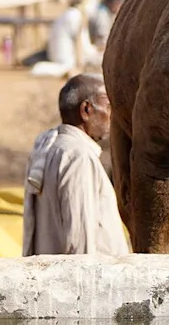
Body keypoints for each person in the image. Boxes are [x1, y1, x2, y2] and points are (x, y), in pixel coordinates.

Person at [22, 73, 129, 256]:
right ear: (86, 110)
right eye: (108, 107)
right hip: (84, 278)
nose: (111, 116)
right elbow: (79, 239)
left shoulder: (47, 148)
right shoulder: (78, 156)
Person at [47, 0, 101, 71]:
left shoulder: (67, 14)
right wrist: (79, 62)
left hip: (55, 56)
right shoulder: (75, 16)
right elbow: (79, 40)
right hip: (67, 59)